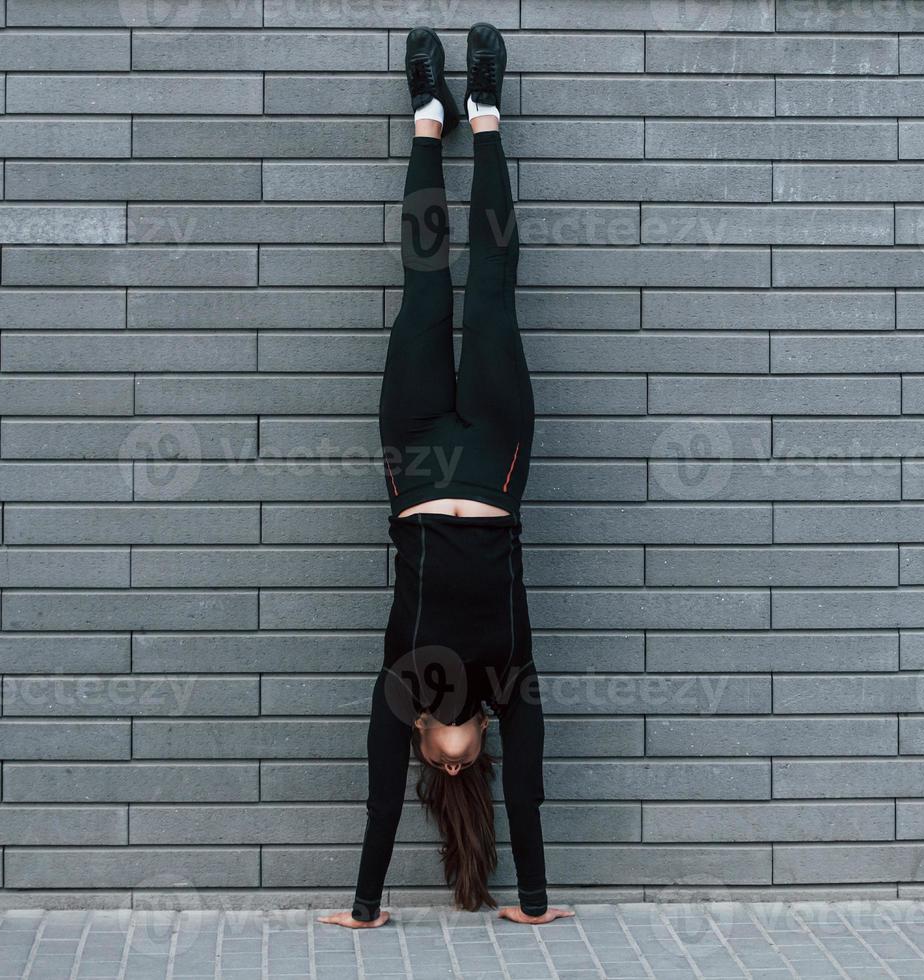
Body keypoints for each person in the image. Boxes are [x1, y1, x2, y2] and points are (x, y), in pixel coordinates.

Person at [317, 23, 572, 930]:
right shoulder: (511, 688)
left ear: (425, 748)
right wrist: (534, 905)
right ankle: (487, 112)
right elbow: (531, 796)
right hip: (499, 462)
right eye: (472, 768)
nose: (458, 762)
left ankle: (430, 119)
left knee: (426, 286)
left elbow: (382, 805)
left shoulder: (403, 685)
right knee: (493, 287)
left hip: (418, 455)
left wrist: (364, 909)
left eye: (443, 767)